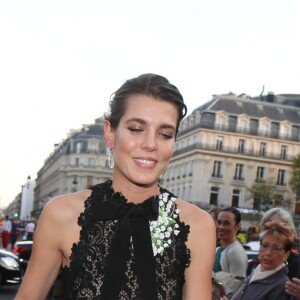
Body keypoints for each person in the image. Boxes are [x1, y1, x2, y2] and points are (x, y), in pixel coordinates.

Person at [15, 73, 216, 300]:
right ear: (110, 133)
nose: (150, 144)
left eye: (165, 134)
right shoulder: (61, 214)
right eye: (136, 129)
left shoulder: (198, 226)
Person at [229, 221, 294, 300]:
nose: (268, 253)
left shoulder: (282, 287)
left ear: (286, 255)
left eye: (276, 248)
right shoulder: (254, 274)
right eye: (265, 246)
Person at [259, 207, 300, 299]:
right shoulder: (256, 264)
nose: (273, 232)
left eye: (280, 228)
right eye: (268, 227)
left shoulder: (297, 263)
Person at [212, 207, 248, 298]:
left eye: (226, 223)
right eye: (219, 222)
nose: (221, 227)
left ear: (237, 226)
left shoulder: (236, 252)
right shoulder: (218, 249)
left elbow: (237, 287)